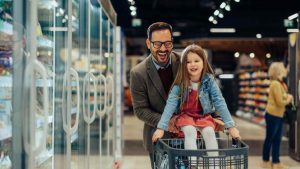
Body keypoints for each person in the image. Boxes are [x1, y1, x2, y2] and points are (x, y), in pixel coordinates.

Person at [152, 44, 241, 168]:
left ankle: (214, 165)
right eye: (188, 62)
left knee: (210, 132)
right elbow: (170, 105)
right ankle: (193, 165)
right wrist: (161, 128)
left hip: (203, 116)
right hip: (186, 116)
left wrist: (231, 126)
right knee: (190, 131)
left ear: (203, 62)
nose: (193, 64)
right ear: (184, 65)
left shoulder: (209, 81)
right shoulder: (180, 84)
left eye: (196, 60)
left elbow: (219, 102)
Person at [130, 22, 181, 169]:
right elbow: (140, 110)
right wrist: (167, 121)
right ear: (148, 43)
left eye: (168, 43)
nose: (163, 49)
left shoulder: (184, 63)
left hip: (187, 136)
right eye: (157, 44)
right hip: (159, 139)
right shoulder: (138, 73)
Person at [261, 62, 293, 169]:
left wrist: (285, 96)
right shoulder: (275, 83)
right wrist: (288, 99)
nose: (285, 69)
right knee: (270, 138)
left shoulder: (279, 83)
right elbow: (279, 102)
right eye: (283, 68)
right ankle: (265, 161)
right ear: (278, 70)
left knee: (277, 139)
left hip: (278, 115)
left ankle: (276, 162)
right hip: (272, 115)